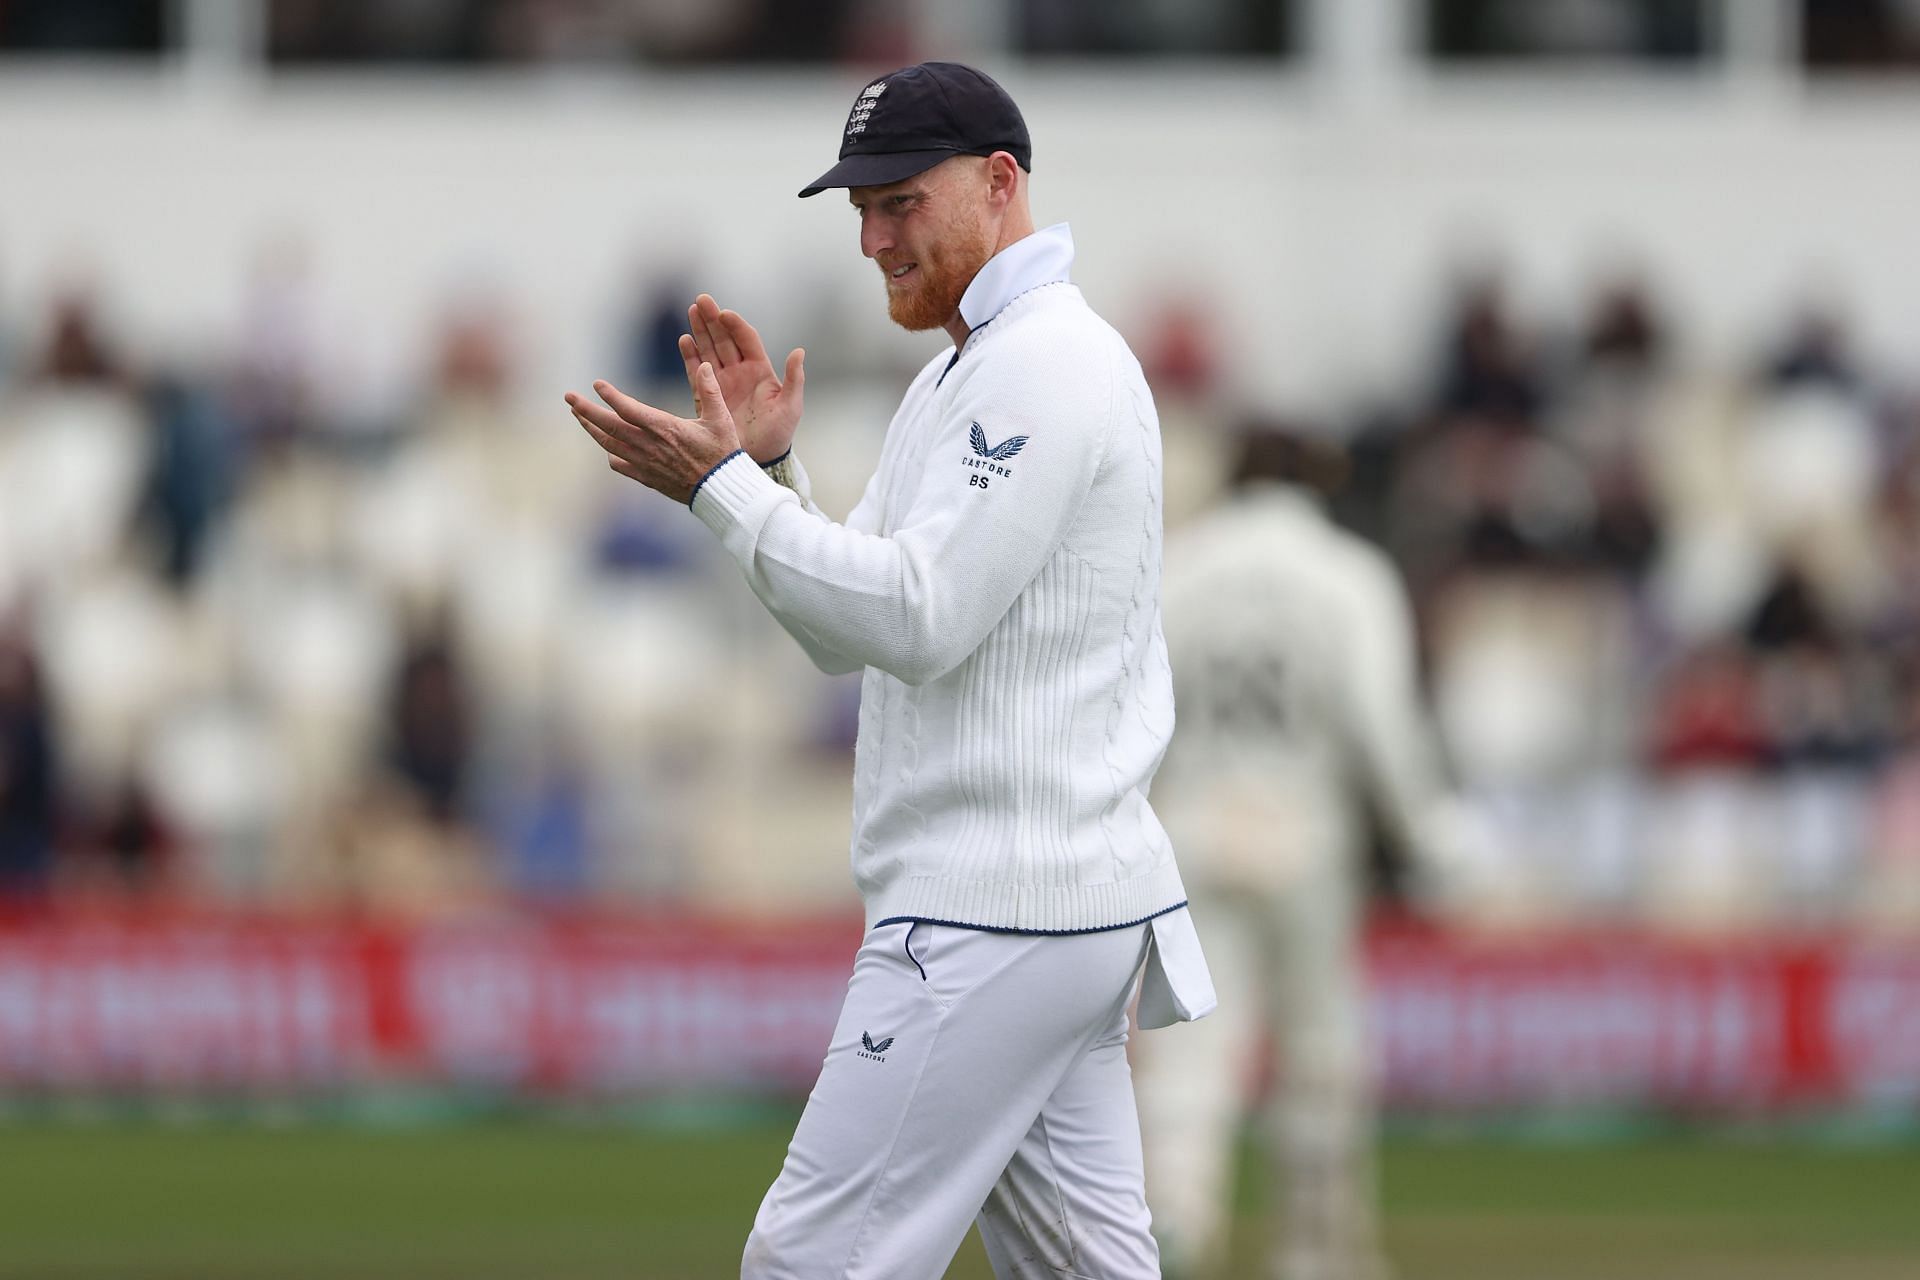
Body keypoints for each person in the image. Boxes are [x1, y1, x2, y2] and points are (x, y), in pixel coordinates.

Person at [565, 61, 1214, 1280]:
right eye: (859, 207)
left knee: (806, 1264)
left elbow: (917, 618)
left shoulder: (1046, 366)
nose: (870, 238)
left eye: (901, 200)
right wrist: (767, 475)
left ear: (999, 183)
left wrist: (718, 490)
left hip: (990, 914)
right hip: (1046, 907)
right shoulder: (964, 373)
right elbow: (848, 624)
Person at [1132, 429, 1473, 1280]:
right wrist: (1428, 834)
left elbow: (1137, 706)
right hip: (1308, 830)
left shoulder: (1181, 564)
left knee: (1189, 1051)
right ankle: (1317, 1252)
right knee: (1319, 1048)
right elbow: (1378, 719)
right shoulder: (1348, 573)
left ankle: (1174, 1225)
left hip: (1200, 824)